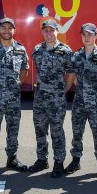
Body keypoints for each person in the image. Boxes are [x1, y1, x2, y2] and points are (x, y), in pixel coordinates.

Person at [64, 23, 97, 180]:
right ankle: (75, 161)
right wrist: (78, 91)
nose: (87, 37)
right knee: (77, 133)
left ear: (96, 35)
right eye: (84, 34)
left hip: (96, 104)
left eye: (90, 34)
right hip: (78, 102)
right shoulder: (76, 56)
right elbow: (73, 77)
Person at [28, 19, 75, 178]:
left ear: (57, 31)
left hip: (56, 99)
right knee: (40, 129)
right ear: (42, 32)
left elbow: (71, 73)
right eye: (46, 30)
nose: (49, 33)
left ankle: (59, 162)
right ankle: (42, 159)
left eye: (52, 30)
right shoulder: (37, 50)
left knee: (56, 131)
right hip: (40, 98)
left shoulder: (65, 51)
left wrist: (65, 89)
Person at [0, 17, 29, 177]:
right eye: (3, 28)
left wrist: (15, 85)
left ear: (14, 30)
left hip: (13, 99)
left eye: (10, 28)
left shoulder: (20, 50)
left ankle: (12, 158)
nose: (7, 31)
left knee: (13, 130)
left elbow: (24, 71)